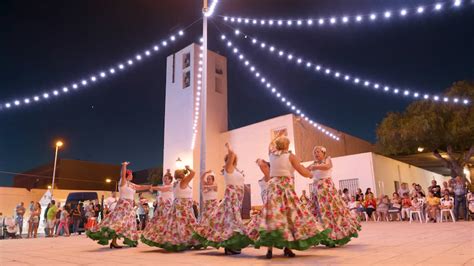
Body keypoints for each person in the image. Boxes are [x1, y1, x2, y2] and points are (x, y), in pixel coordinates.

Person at [255, 135, 328, 259]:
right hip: (285, 188)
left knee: (273, 217)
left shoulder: (271, 154)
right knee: (289, 216)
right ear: (287, 145)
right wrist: (310, 175)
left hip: (273, 189)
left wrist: (276, 138)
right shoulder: (290, 156)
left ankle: (269, 250)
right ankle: (287, 248)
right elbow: (301, 170)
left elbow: (269, 146)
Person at [194, 143, 252, 255]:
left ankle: (230, 245)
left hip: (237, 197)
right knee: (233, 221)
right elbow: (232, 155)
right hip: (232, 197)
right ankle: (230, 245)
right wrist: (229, 148)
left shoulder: (235, 170)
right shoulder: (228, 168)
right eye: (230, 158)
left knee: (230, 221)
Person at [87, 162, 151, 248]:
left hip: (129, 207)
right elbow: (122, 175)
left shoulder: (131, 184)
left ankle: (130, 240)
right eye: (131, 174)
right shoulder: (123, 182)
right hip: (123, 206)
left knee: (130, 223)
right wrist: (124, 166)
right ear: (127, 175)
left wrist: (149, 187)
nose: (132, 175)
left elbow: (140, 187)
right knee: (119, 223)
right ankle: (114, 241)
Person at [307, 146, 360, 247]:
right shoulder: (313, 164)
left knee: (331, 211)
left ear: (323, 153)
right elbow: (305, 171)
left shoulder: (327, 159)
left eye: (318, 152)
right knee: (316, 212)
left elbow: (327, 166)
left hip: (327, 190)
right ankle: (317, 234)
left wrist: (315, 167)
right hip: (316, 191)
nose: (316, 154)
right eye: (314, 152)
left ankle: (335, 235)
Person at [141, 165, 200, 251]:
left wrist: (152, 187)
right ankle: (185, 241)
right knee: (186, 224)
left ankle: (181, 241)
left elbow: (163, 189)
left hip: (178, 205)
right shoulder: (183, 182)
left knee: (178, 224)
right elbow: (193, 173)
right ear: (183, 175)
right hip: (183, 206)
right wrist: (188, 168)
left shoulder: (175, 184)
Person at [246, 158, 271, 244]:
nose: (263, 168)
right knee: (259, 219)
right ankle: (254, 236)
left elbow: (264, 167)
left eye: (265, 166)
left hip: (270, 199)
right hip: (264, 199)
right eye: (262, 167)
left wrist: (261, 162)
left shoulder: (271, 176)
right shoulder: (264, 177)